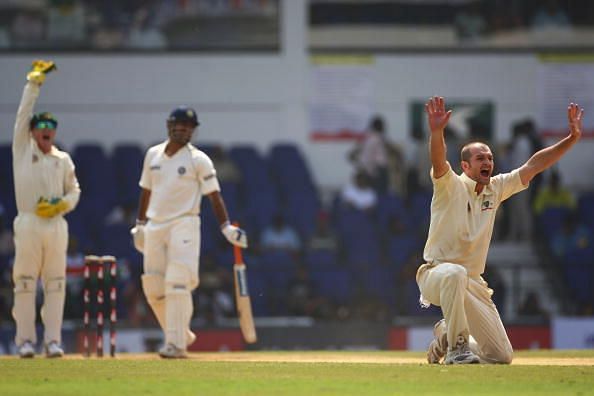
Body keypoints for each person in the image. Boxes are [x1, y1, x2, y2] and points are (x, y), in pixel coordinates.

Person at [417, 96, 583, 365]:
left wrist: (571, 139)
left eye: (491, 158)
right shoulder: (449, 186)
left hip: (473, 283)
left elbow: (533, 166)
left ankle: (445, 335)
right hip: (436, 274)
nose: (488, 162)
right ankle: (457, 350)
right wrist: (436, 133)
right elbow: (438, 161)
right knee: (455, 272)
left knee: (501, 356)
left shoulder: (495, 188)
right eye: (481, 158)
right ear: (466, 166)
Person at [130, 106, 247, 358]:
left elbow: (214, 196)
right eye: (179, 124)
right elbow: (146, 191)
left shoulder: (198, 160)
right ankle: (181, 331)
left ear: (193, 131)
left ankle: (176, 344)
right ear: (169, 125)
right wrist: (140, 225)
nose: (183, 129)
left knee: (177, 282)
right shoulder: (153, 155)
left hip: (184, 224)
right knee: (152, 287)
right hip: (155, 225)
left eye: (189, 126)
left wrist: (226, 227)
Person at [11, 60, 81, 358]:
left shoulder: (62, 159)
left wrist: (60, 205)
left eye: (51, 128)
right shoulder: (23, 151)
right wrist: (34, 84)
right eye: (41, 127)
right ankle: (26, 341)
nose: (47, 131)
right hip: (28, 223)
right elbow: (22, 116)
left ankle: (53, 341)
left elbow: (75, 191)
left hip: (56, 225)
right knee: (26, 282)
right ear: (32, 132)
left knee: (56, 283)